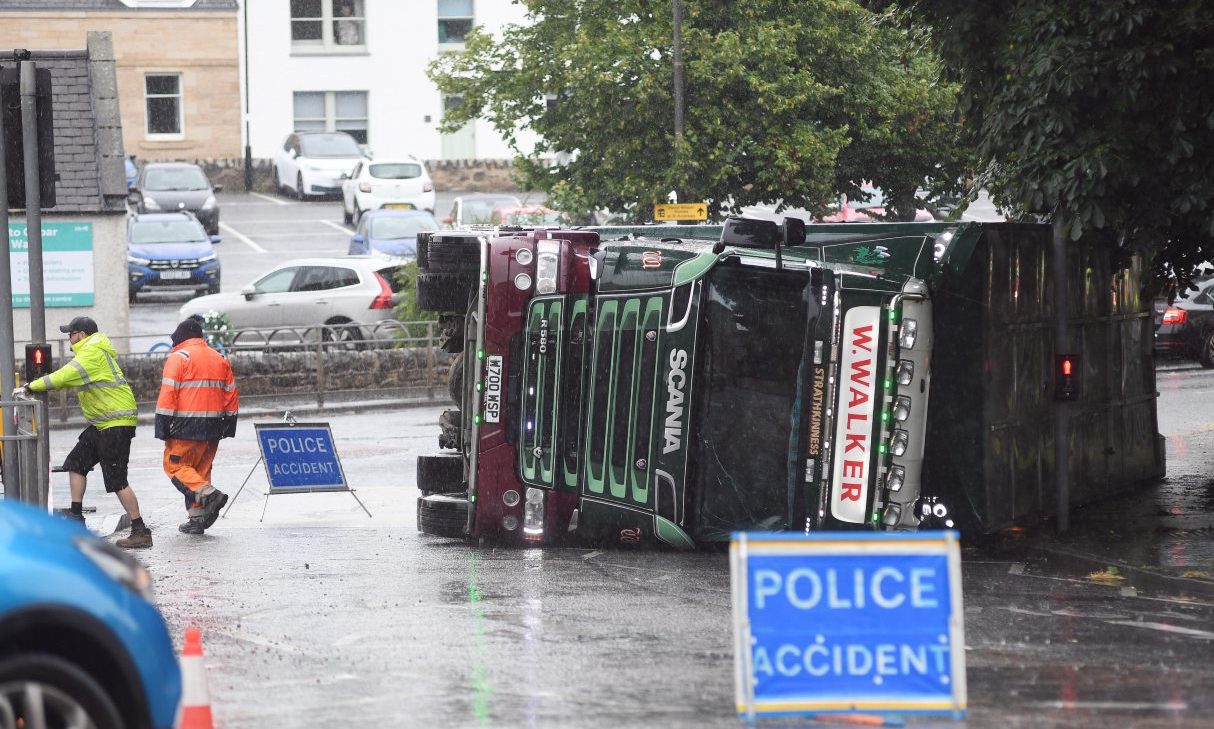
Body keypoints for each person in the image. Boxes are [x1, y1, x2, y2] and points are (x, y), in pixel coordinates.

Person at [12, 316, 151, 548]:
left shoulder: (92, 353)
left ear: (82, 335)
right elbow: (67, 380)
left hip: (115, 423)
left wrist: (30, 386)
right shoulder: (92, 351)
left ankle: (140, 530)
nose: (69, 338)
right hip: (103, 424)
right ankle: (76, 517)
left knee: (117, 480)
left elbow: (63, 376)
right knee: (76, 463)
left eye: (71, 334)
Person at [155, 318, 239, 534]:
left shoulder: (178, 358)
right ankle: (197, 519)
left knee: (176, 466)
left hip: (186, 425)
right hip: (214, 426)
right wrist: (229, 424)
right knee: (199, 471)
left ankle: (210, 495)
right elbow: (231, 393)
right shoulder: (219, 357)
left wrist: (162, 425)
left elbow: (168, 394)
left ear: (180, 338)